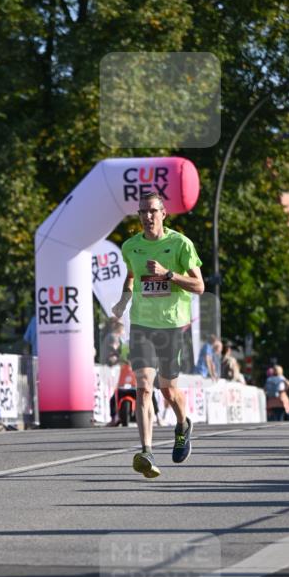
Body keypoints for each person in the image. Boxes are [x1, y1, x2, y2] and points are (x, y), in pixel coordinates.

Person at [112, 191, 204, 478]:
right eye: (142, 212)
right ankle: (147, 450)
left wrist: (169, 275)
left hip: (171, 326)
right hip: (141, 324)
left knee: (168, 389)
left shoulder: (180, 244)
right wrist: (124, 300)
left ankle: (182, 424)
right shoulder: (131, 247)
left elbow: (199, 285)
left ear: (163, 213)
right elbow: (131, 275)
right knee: (143, 387)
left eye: (152, 211)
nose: (147, 216)